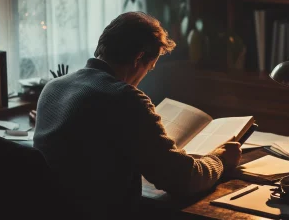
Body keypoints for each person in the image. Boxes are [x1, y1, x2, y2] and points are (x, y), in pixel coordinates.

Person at [33, 11, 242, 219]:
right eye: (150, 68)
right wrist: (219, 159)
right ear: (139, 57)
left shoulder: (53, 87)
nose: (144, 75)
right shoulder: (124, 98)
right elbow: (181, 180)